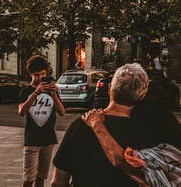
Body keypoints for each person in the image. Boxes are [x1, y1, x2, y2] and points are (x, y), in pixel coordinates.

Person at [52, 63, 163, 186]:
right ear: (142, 95)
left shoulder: (81, 125)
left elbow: (58, 182)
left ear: (110, 88)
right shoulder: (147, 132)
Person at [16, 55, 64, 187]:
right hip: (32, 140)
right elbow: (21, 112)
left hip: (48, 139)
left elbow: (62, 112)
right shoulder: (26, 91)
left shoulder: (52, 91)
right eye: (36, 75)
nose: (40, 78)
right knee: (28, 178)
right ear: (30, 74)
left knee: (41, 177)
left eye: (43, 74)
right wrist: (36, 93)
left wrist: (53, 93)